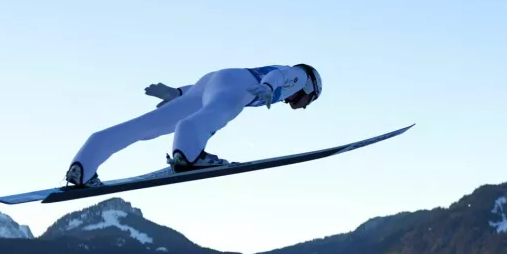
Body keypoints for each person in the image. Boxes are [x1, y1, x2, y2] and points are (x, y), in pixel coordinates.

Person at [64, 63, 322, 187]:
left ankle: (84, 164)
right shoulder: (299, 77)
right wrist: (267, 87)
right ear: (311, 87)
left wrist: (177, 93)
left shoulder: (284, 82)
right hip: (238, 81)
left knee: (147, 125)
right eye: (307, 102)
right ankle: (188, 156)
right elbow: (279, 75)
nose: (298, 105)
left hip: (212, 80)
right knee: (218, 112)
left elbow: (209, 89)